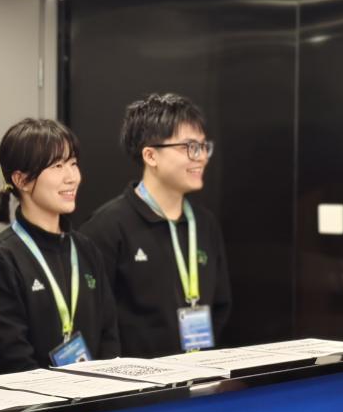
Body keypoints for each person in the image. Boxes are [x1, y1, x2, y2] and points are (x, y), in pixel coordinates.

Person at [80, 94, 231, 356]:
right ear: (150, 155)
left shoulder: (204, 223)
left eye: (203, 146)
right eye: (189, 147)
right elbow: (96, 321)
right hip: (134, 379)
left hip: (200, 372)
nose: (201, 157)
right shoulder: (106, 227)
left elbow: (220, 304)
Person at [0, 118, 119, 371]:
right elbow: (12, 353)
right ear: (22, 180)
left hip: (98, 391)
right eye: (58, 166)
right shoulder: (2, 257)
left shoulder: (86, 249)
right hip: (36, 394)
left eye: (73, 164)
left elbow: (109, 334)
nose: (72, 177)